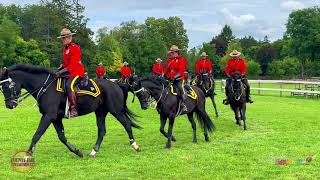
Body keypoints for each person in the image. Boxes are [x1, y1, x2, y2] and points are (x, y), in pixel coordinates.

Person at [56, 28, 85, 117]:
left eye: (63, 38)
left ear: (69, 37)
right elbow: (66, 63)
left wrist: (62, 72)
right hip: (69, 73)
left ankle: (74, 109)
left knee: (69, 85)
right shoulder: (65, 49)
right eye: (62, 38)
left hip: (77, 72)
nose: (62, 40)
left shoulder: (75, 47)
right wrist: (59, 70)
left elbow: (73, 64)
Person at [164, 45, 188, 110]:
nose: (171, 54)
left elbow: (181, 71)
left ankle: (183, 104)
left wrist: (174, 77)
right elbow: (166, 69)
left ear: (177, 52)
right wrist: (164, 75)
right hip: (169, 78)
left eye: (172, 52)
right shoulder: (170, 60)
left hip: (178, 79)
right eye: (171, 52)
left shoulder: (181, 60)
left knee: (180, 88)